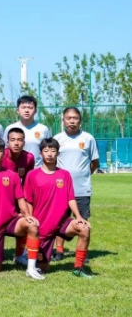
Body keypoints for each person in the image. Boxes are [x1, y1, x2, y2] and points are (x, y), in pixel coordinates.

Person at [0, 137, 44, 279]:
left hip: (11, 221)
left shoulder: (12, 176)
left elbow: (20, 198)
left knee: (31, 225)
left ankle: (31, 268)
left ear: (4, 153)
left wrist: (27, 215)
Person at [24, 138, 93, 278]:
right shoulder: (32, 175)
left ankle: (78, 268)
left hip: (62, 223)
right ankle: (30, 255)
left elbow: (70, 198)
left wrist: (78, 217)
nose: (49, 154)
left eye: (53, 150)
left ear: (58, 154)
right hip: (42, 228)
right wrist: (30, 219)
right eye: (46, 151)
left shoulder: (65, 174)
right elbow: (28, 201)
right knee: (43, 269)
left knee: (84, 228)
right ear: (40, 153)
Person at [53, 107, 99, 261]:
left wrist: (83, 175)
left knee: (83, 221)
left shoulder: (88, 138)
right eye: (68, 118)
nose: (72, 121)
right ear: (63, 120)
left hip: (82, 188)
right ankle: (59, 251)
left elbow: (94, 162)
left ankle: (82, 253)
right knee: (60, 220)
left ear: (80, 120)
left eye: (75, 118)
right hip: (60, 189)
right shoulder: (57, 139)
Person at [2, 127, 36, 266]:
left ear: (24, 142)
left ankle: (19, 254)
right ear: (7, 142)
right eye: (13, 140)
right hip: (2, 197)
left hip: (19, 196)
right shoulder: (1, 155)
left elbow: (27, 181)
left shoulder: (29, 158)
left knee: (26, 219)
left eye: (19, 140)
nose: (16, 143)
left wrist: (25, 202)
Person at [4, 95, 51, 167]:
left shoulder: (43, 129)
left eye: (30, 108)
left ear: (35, 111)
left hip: (36, 170)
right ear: (17, 110)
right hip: (14, 170)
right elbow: (5, 151)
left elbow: (49, 150)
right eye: (23, 107)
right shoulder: (10, 128)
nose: (26, 110)